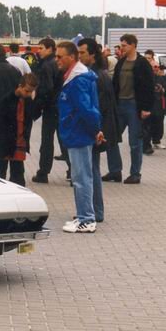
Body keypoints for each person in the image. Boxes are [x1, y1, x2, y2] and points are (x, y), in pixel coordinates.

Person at [55, 42, 103, 233]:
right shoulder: (77, 77)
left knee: (81, 178)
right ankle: (84, 215)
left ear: (72, 57)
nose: (57, 60)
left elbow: (87, 109)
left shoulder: (78, 79)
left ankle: (87, 219)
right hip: (77, 132)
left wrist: (96, 129)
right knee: (81, 177)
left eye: (60, 57)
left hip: (78, 134)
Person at [103, 34, 154, 184]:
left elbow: (149, 86)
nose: (121, 48)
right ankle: (115, 171)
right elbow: (115, 84)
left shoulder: (142, 63)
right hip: (119, 105)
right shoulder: (121, 62)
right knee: (111, 138)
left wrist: (146, 108)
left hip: (134, 106)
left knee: (135, 141)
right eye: (121, 45)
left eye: (124, 45)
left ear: (133, 45)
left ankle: (135, 173)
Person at [78, 38, 117, 224]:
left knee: (91, 171)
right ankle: (94, 210)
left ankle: (95, 211)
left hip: (95, 131)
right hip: (98, 129)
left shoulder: (95, 76)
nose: (79, 56)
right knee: (91, 170)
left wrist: (97, 130)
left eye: (82, 53)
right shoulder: (97, 73)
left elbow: (99, 107)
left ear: (92, 54)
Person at [0, 73, 40, 186]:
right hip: (3, 143)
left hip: (19, 142)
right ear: (20, 86)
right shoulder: (5, 101)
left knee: (18, 177)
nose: (29, 94)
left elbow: (33, 117)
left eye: (31, 92)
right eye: (27, 91)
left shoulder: (28, 101)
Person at [32, 38, 63, 184]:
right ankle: (73, 171)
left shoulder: (46, 66)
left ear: (50, 48)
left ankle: (43, 172)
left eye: (41, 48)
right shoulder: (58, 63)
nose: (39, 51)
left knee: (47, 141)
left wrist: (37, 107)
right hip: (61, 106)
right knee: (63, 140)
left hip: (50, 107)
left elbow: (46, 89)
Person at [142, 61, 166, 153]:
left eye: (157, 67)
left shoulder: (162, 78)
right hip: (148, 105)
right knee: (147, 126)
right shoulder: (145, 77)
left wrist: (163, 90)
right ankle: (146, 145)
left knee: (158, 123)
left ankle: (156, 141)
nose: (155, 68)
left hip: (159, 104)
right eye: (154, 67)